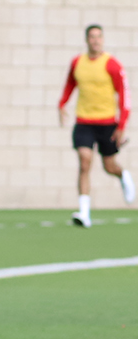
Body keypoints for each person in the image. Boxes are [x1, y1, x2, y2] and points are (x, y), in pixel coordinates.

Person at [59, 24, 134, 227]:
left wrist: (122, 125)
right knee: (85, 161)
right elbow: (70, 84)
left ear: (102, 39)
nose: (95, 40)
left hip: (107, 123)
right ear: (86, 39)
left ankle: (123, 175)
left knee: (109, 166)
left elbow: (124, 96)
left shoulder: (112, 65)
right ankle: (84, 213)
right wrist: (62, 103)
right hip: (84, 122)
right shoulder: (78, 63)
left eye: (99, 37)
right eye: (92, 37)